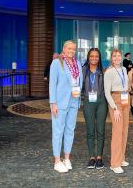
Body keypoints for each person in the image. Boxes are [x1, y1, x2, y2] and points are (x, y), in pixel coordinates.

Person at [49, 41, 83, 173]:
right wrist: (53, 103)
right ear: (64, 48)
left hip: (74, 102)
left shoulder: (77, 63)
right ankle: (57, 161)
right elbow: (52, 84)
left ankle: (66, 158)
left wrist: (79, 99)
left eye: (74, 49)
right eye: (69, 48)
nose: (71, 51)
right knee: (58, 132)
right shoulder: (57, 63)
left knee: (70, 130)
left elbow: (79, 82)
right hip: (60, 103)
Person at [104, 48, 130, 174]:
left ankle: (121, 158)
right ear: (111, 58)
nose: (117, 58)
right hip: (115, 101)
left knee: (124, 130)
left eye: (119, 55)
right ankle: (114, 163)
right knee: (117, 132)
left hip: (125, 99)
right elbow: (107, 93)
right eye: (114, 56)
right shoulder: (109, 72)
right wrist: (114, 108)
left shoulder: (124, 69)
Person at [81, 48, 107, 170]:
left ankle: (99, 157)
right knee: (90, 130)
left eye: (96, 56)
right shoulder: (84, 70)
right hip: (88, 102)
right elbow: (78, 85)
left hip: (101, 101)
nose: (94, 58)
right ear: (88, 57)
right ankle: (92, 157)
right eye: (92, 56)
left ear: (99, 58)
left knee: (100, 130)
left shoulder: (103, 70)